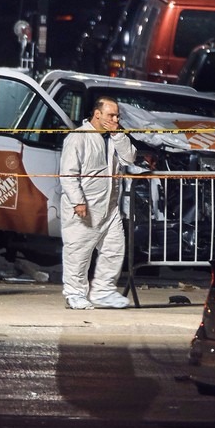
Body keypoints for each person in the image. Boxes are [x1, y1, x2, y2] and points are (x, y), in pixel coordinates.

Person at [59, 96, 137, 309]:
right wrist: (77, 201)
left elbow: (129, 158)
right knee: (78, 251)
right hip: (86, 207)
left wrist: (118, 135)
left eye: (117, 116)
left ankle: (103, 291)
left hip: (110, 206)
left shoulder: (113, 138)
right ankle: (74, 293)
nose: (116, 119)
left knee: (114, 248)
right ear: (97, 114)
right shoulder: (78, 138)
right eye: (111, 115)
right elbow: (68, 173)